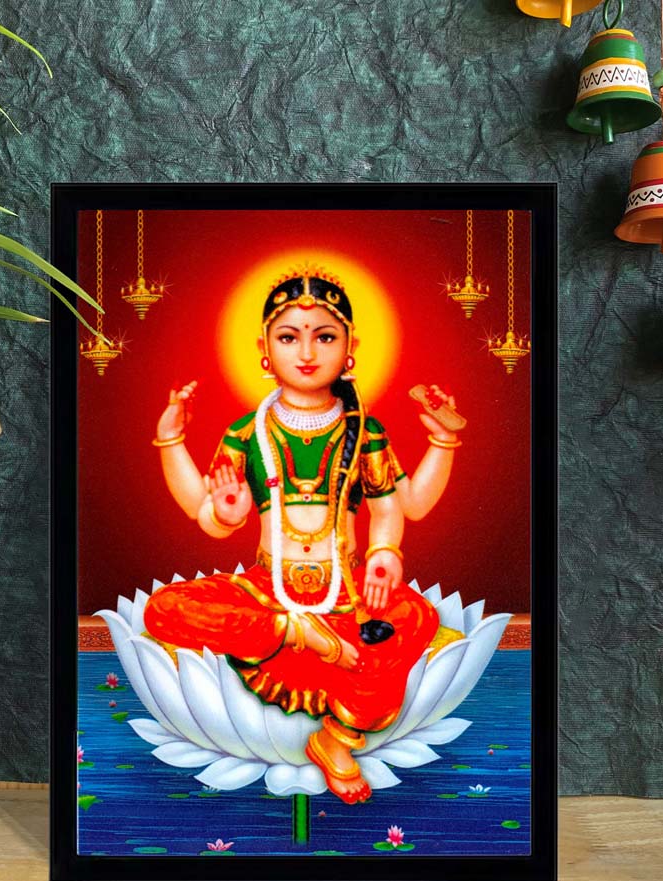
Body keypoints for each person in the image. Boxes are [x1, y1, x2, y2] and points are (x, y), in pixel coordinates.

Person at [144, 267, 463, 805]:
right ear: (265, 351)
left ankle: (336, 739)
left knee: (416, 617)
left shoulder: (363, 428)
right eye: (290, 337)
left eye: (325, 336)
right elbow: (206, 512)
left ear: (350, 348)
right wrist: (202, 480)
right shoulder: (247, 432)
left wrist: (388, 548)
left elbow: (402, 506)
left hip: (348, 595)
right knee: (165, 609)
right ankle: (294, 633)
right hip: (267, 591)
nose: (307, 352)